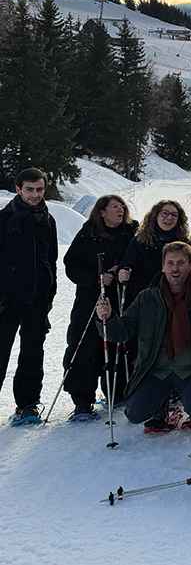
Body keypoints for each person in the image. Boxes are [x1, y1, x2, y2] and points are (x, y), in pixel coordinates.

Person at [95, 241, 191, 433]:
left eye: (181, 263)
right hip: (156, 370)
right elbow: (123, 331)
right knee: (135, 413)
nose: (175, 268)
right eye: (170, 263)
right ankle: (162, 407)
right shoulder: (147, 298)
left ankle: (185, 404)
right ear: (162, 266)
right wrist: (108, 318)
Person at [61, 194, 137, 420]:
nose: (120, 210)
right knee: (83, 346)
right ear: (101, 212)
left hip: (121, 298)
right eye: (114, 207)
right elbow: (70, 265)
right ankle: (82, 400)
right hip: (90, 298)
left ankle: (118, 392)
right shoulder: (89, 233)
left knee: (118, 344)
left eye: (122, 206)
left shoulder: (132, 232)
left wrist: (122, 272)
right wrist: (96, 278)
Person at [0, 167, 58, 424]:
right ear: (18, 189)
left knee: (33, 355)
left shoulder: (48, 220)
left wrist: (49, 294)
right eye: (30, 190)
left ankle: (27, 406)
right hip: (6, 301)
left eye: (40, 189)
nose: (35, 195)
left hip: (37, 301)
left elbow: (51, 261)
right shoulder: (4, 219)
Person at [120, 200, 189, 299]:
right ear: (155, 215)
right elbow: (126, 263)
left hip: (173, 298)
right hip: (142, 297)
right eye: (165, 213)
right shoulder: (140, 240)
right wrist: (122, 272)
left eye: (174, 215)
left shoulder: (184, 244)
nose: (169, 217)